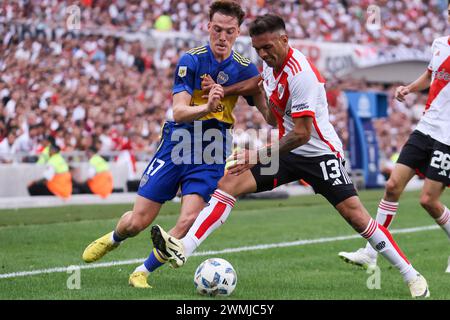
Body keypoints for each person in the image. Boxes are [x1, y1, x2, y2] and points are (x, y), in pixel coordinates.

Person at [150, 14, 430, 298]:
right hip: (286, 149)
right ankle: (184, 248)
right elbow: (261, 90)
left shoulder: (302, 74)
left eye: (268, 48)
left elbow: (302, 134)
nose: (263, 54)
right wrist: (224, 91)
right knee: (229, 183)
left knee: (357, 217)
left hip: (319, 154)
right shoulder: (270, 65)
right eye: (258, 49)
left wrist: (257, 155)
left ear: (284, 40)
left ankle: (412, 275)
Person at [81, 0, 263, 288]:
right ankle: (114, 238)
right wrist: (207, 106)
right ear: (208, 27)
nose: (222, 37)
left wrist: (265, 89)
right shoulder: (190, 60)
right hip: (178, 141)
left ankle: (142, 271)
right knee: (137, 222)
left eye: (229, 31)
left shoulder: (245, 68)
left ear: (238, 32)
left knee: (189, 217)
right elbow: (178, 111)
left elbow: (266, 111)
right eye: (217, 29)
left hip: (212, 148)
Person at [338, 6, 450, 271]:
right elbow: (431, 74)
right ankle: (371, 252)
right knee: (392, 186)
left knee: (428, 200)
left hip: (448, 136)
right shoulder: (439, 44)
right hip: (426, 128)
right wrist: (409, 88)